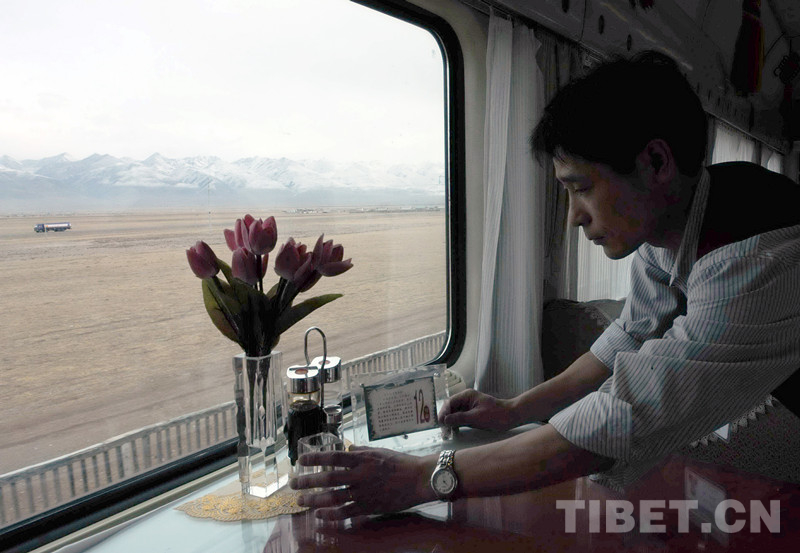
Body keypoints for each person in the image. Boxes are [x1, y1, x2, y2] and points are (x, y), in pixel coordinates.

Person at [289, 51, 800, 520]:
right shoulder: (670, 228)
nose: (574, 217)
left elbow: (628, 412)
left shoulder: (756, 254)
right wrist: (515, 409)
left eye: (582, 188)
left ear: (656, 163)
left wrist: (423, 477)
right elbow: (629, 337)